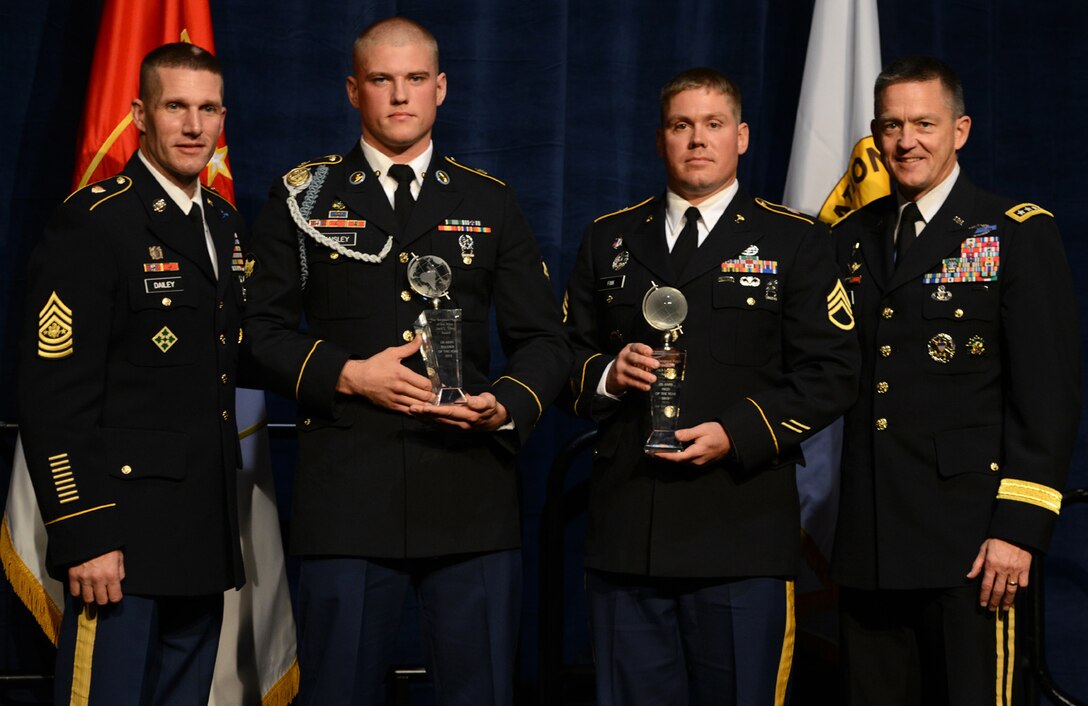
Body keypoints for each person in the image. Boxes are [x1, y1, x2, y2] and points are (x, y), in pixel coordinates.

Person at [241, 17, 569, 706]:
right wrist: (349, 374)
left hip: (470, 493)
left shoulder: (488, 199)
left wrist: (507, 402)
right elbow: (255, 333)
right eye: (382, 80)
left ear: (441, 89)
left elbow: (544, 342)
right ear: (352, 90)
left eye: (416, 79)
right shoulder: (305, 197)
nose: (400, 96)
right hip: (349, 499)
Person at [562, 67, 859, 706]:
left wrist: (738, 431)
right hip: (628, 532)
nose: (698, 139)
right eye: (681, 125)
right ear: (662, 138)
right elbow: (560, 358)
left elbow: (834, 372)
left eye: (714, 124)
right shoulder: (608, 237)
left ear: (742, 137)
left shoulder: (796, 239)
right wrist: (609, 375)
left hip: (740, 529)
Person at [831, 55, 1081, 706]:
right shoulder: (849, 239)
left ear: (960, 131)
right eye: (890, 125)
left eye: (924, 123)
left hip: (971, 549)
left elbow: (1047, 400)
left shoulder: (1014, 233)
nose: (906, 141)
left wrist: (1019, 531)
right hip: (870, 543)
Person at [18, 43, 245, 705]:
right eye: (176, 106)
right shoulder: (93, 223)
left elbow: (227, 356)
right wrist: (84, 530)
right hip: (117, 542)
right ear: (140, 113)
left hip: (200, 533)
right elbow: (54, 394)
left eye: (207, 109)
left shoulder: (225, 223)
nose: (194, 126)